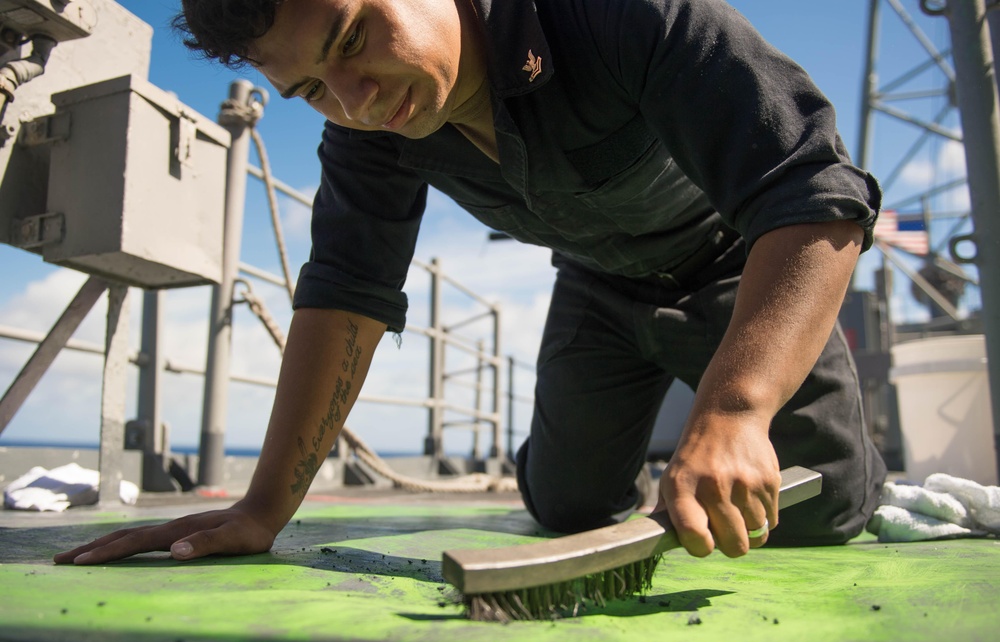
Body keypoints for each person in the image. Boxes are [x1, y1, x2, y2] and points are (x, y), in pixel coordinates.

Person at [55, 0, 887, 566]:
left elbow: (813, 187)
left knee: (825, 513)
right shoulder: (366, 131)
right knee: (563, 506)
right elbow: (347, 287)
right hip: (597, 291)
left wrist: (736, 408)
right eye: (310, 89)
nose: (355, 99)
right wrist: (264, 507)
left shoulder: (614, 15)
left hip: (740, 269)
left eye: (350, 39)